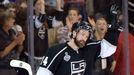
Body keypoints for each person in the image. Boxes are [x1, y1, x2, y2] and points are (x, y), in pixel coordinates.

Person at [0, 11, 25, 75]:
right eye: (12, 19)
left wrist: (20, 42)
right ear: (5, 21)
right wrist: (15, 42)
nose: (14, 20)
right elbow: (1, 54)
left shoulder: (12, 31)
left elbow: (19, 50)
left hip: (13, 66)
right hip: (2, 68)